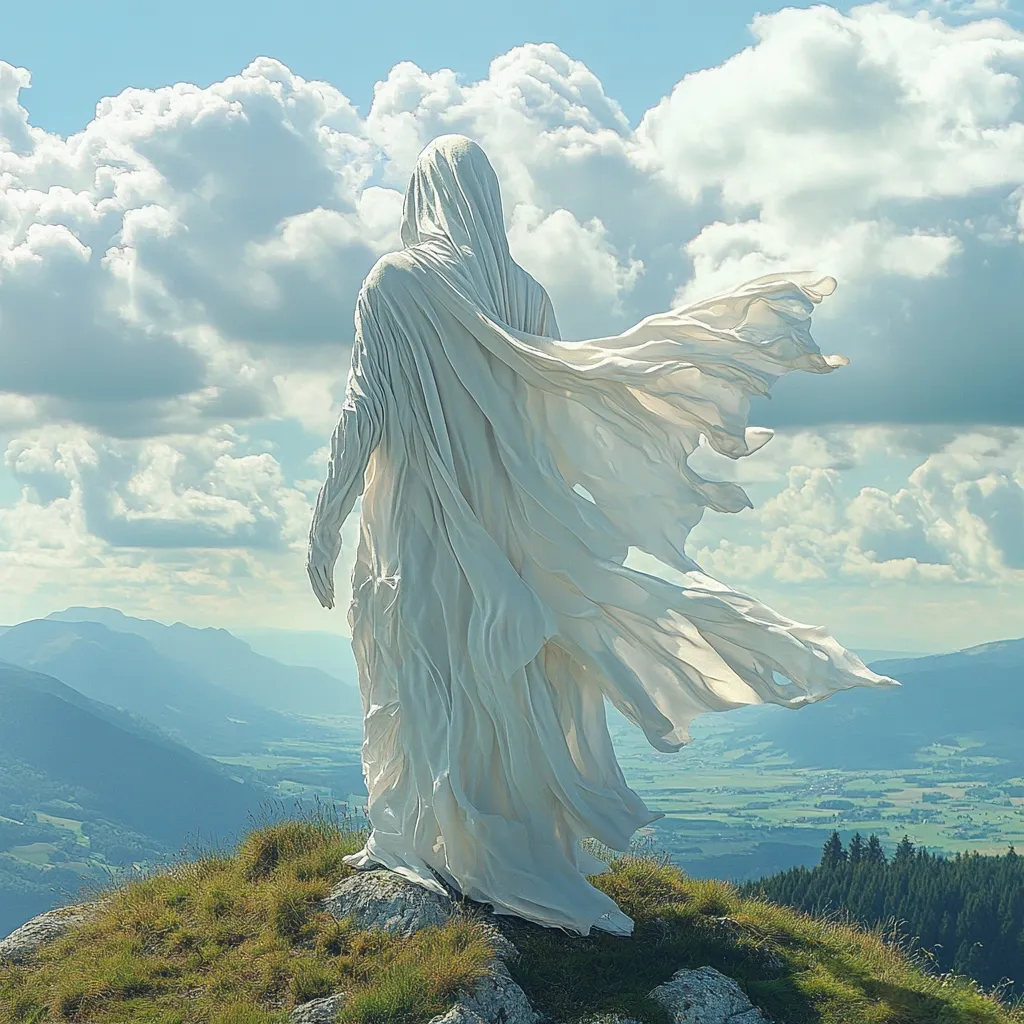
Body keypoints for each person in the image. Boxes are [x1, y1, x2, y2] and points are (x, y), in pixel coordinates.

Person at [306, 134, 895, 937]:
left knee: (424, 662)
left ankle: (435, 835)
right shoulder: (524, 295)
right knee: (504, 675)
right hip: (509, 523)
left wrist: (327, 516)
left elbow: (363, 407)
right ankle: (499, 838)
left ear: (423, 195)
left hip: (419, 518)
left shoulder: (396, 281)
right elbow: (547, 429)